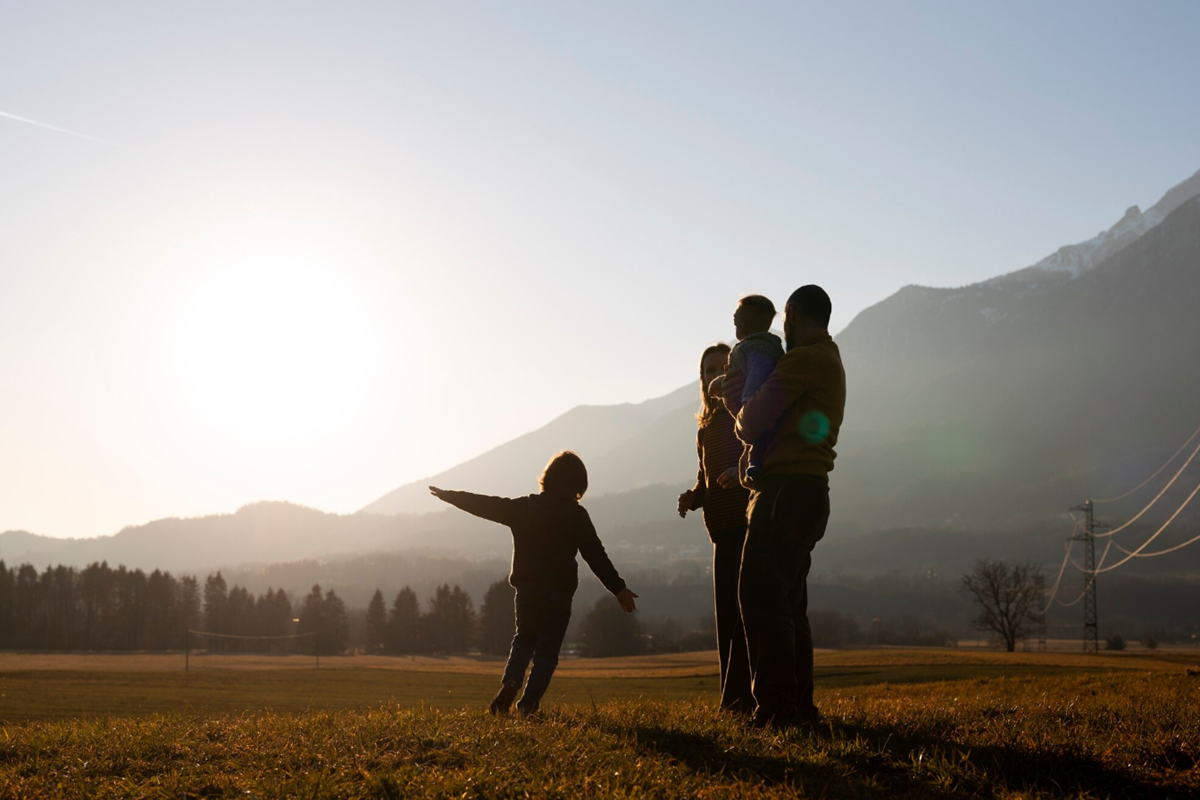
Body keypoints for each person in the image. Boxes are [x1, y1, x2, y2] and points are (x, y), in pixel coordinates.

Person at [429, 451, 638, 715]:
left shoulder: (524, 508)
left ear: (548, 478)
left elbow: (486, 505)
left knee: (524, 639)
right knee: (547, 653)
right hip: (559, 594)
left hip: (527, 591)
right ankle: (527, 705)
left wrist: (450, 496)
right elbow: (596, 556)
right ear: (578, 484)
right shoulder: (577, 516)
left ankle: (511, 681)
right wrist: (618, 588)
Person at [734, 284, 846, 729]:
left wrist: (738, 404)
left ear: (793, 314)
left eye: (784, 319)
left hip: (784, 490)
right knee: (788, 603)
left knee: (760, 596)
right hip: (809, 491)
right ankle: (798, 707)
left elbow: (752, 420)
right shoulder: (829, 358)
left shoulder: (804, 360)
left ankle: (776, 710)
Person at [677, 342, 756, 712]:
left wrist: (739, 473)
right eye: (710, 371)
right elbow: (704, 479)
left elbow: (758, 461)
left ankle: (746, 698)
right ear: (702, 380)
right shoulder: (705, 428)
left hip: (747, 527)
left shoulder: (744, 417)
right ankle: (732, 699)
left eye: (724, 368)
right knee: (726, 618)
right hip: (720, 535)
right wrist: (693, 497)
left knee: (744, 618)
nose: (717, 376)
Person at [708, 294, 785, 482]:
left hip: (754, 406)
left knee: (758, 437)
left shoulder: (757, 349)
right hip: (752, 407)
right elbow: (737, 376)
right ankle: (753, 462)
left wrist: (749, 399)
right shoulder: (763, 347)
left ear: (742, 325)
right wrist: (720, 385)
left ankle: (755, 463)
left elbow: (758, 371)